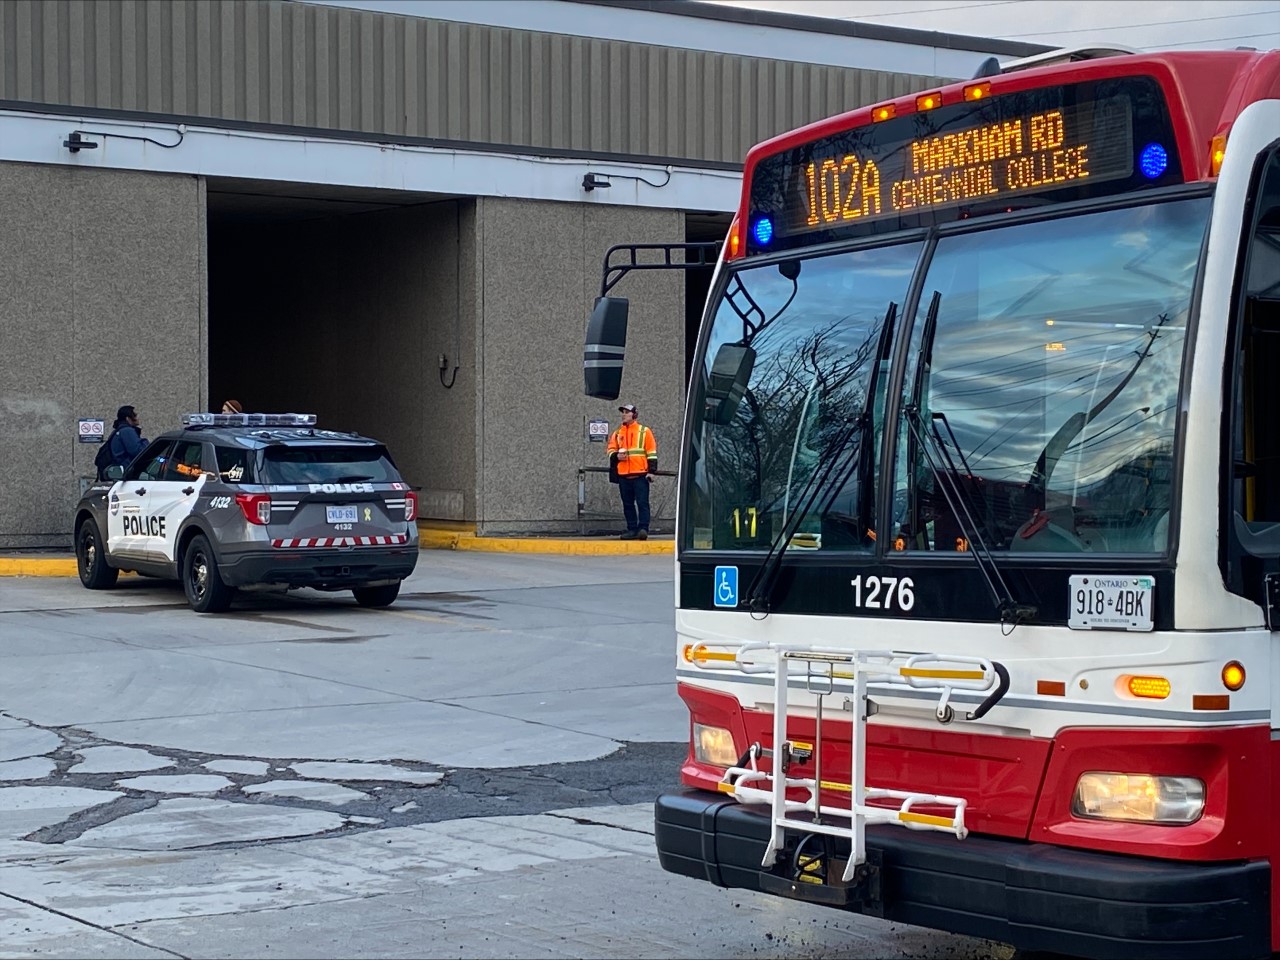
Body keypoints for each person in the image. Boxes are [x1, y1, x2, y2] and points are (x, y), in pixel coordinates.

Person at [606, 403, 658, 540]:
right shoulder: (617, 433)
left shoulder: (644, 431)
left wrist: (652, 471)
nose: (623, 414)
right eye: (622, 412)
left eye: (627, 412)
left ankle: (643, 529)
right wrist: (616, 456)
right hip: (623, 475)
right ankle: (632, 529)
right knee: (627, 504)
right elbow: (610, 449)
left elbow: (651, 452)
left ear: (634, 415)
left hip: (640, 474)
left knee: (642, 503)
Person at [104, 405, 147, 476]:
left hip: (121, 471)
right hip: (127, 472)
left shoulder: (119, 431)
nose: (137, 418)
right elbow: (137, 451)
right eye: (135, 415)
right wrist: (145, 442)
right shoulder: (127, 431)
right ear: (128, 418)